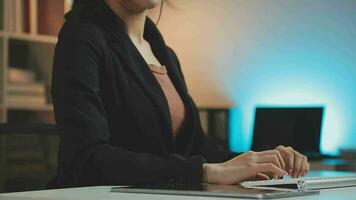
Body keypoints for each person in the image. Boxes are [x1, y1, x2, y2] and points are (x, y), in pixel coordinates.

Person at [50, 0, 310, 187]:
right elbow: (87, 158)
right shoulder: (82, 36)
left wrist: (261, 161)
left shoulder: (164, 54)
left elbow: (197, 147)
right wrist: (205, 172)